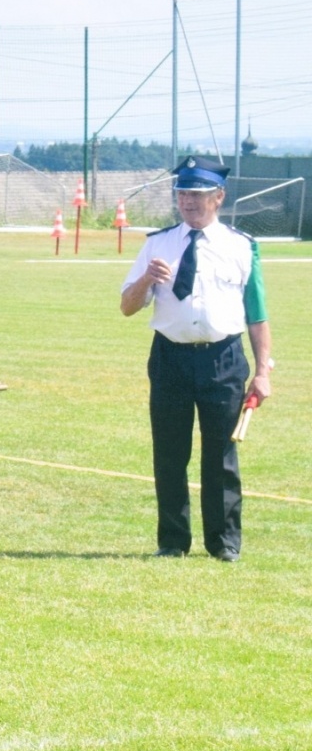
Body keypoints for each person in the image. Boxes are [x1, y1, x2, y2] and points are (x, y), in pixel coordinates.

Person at [120, 156, 273, 561]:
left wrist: (263, 372)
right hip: (170, 357)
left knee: (220, 453)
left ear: (218, 197)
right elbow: (127, 306)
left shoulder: (241, 246)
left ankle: (223, 542)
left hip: (223, 358)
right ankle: (172, 541)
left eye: (198, 194)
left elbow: (256, 314)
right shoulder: (157, 243)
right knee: (169, 452)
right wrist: (146, 280)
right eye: (183, 193)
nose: (188, 202)